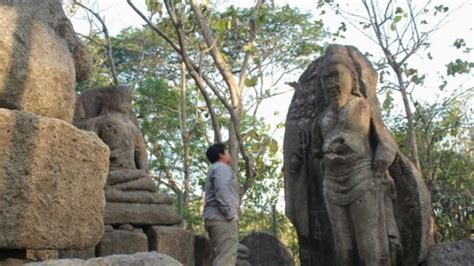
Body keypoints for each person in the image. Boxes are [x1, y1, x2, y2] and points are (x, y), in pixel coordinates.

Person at [204, 143, 240, 266]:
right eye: (227, 152)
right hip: (222, 218)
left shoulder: (214, 168)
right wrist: (230, 214)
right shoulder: (222, 168)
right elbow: (222, 190)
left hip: (213, 217)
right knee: (225, 259)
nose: (229, 154)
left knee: (218, 257)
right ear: (221, 155)